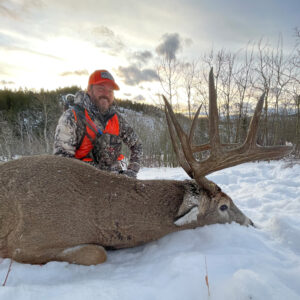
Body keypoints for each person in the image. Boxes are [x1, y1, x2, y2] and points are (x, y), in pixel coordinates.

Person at [54, 70, 143, 178]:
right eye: (101, 88)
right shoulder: (72, 117)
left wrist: (132, 172)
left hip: (115, 183)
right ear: (89, 90)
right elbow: (62, 163)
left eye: (110, 91)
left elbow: (137, 145)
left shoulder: (117, 119)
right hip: (82, 183)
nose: (106, 94)